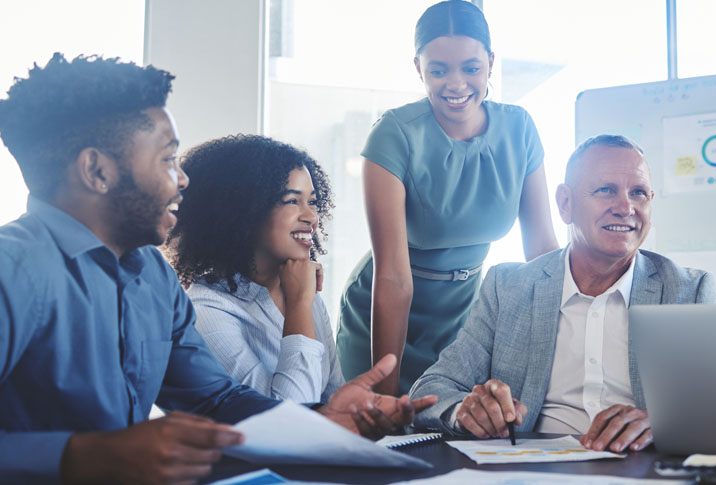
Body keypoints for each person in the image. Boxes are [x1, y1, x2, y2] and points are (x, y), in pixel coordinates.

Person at [0, 54, 434, 483]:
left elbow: (216, 400)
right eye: (168, 159)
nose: (183, 179)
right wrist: (82, 456)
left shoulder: (151, 274)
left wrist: (321, 419)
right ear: (98, 171)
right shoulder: (13, 270)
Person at [410, 135, 716, 453]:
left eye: (638, 193)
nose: (626, 208)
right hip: (531, 471)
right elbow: (431, 391)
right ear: (565, 204)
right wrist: (465, 411)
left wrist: (664, 420)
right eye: (606, 190)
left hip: (643, 468)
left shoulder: (689, 292)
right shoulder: (508, 287)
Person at [336, 0, 559, 396]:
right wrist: (385, 398)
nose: (456, 84)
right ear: (419, 68)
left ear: (491, 62)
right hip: (385, 314)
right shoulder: (394, 134)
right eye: (438, 70)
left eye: (471, 68)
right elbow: (393, 277)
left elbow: (542, 252)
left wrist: (564, 350)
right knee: (382, 436)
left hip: (465, 316)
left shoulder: (519, 128)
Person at [167, 135, 344, 404]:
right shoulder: (207, 313)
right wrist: (298, 306)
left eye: (313, 202)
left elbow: (333, 399)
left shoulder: (304, 290)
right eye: (292, 201)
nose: (311, 217)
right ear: (245, 210)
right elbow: (289, 419)